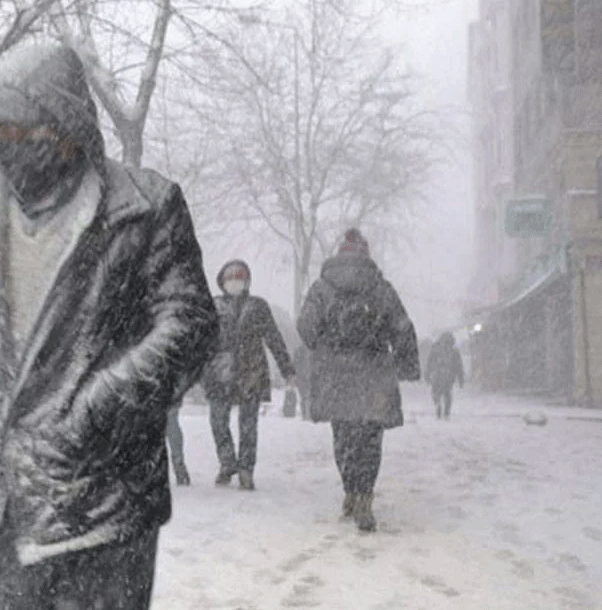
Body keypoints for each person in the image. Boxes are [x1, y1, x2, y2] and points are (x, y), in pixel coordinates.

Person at [0, 40, 219, 610]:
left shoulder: (142, 207)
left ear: (67, 121)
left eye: (28, 132)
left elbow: (189, 324)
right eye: (0, 136)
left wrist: (98, 408)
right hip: (5, 504)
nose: (13, 151)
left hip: (102, 503)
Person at [297, 228, 420, 532]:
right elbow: (402, 327)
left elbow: (306, 326)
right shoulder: (381, 288)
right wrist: (407, 366)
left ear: (340, 253)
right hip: (373, 372)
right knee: (369, 438)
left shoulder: (322, 287)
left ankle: (350, 490)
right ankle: (364, 495)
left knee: (343, 436)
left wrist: (324, 346)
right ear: (366, 254)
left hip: (335, 373)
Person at [199, 260, 295, 490]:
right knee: (218, 421)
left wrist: (287, 369)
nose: (235, 282)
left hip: (251, 372)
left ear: (247, 281)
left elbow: (273, 337)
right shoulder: (213, 306)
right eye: (230, 278)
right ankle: (227, 462)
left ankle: (246, 469)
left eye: (239, 278)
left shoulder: (258, 306)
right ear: (222, 282)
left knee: (248, 425)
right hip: (219, 373)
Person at [425, 332, 465, 419]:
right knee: (447, 394)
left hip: (437, 375)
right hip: (449, 376)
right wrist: (460, 379)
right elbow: (459, 366)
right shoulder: (454, 352)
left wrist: (427, 375)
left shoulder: (435, 350)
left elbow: (429, 364)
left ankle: (438, 404)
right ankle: (446, 412)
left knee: (436, 392)